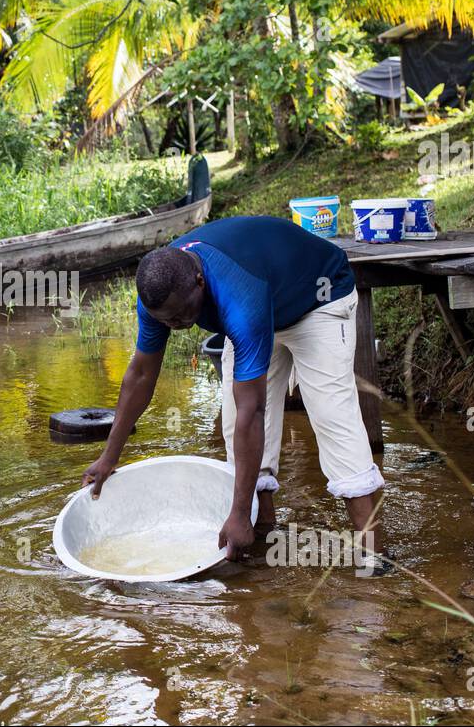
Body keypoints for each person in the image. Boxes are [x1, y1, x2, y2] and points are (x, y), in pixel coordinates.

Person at [81, 215, 387, 565]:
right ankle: (264, 541)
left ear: (200, 282)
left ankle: (376, 562)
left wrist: (237, 512)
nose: (175, 326)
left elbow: (252, 410)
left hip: (319, 298)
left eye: (182, 316)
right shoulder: (159, 294)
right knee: (232, 430)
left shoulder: (240, 300)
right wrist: (109, 456)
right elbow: (139, 377)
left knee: (334, 420)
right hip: (266, 295)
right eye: (166, 320)